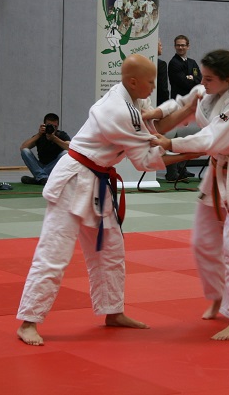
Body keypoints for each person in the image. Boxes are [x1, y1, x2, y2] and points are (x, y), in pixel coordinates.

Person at [16, 54, 201, 346]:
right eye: (150, 81)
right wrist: (195, 151)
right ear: (133, 81)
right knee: (54, 252)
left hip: (96, 181)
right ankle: (29, 321)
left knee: (110, 250)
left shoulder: (133, 98)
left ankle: (113, 311)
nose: (154, 86)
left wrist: (188, 107)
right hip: (74, 179)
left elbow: (155, 126)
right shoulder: (117, 110)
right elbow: (144, 159)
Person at [149, 45, 229, 340]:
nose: (202, 83)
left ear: (228, 79)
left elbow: (210, 138)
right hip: (218, 172)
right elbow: (184, 102)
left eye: (208, 78)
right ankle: (218, 295)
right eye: (202, 77)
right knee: (203, 241)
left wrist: (170, 143)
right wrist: (156, 112)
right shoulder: (209, 91)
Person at [166, 34, 202, 182]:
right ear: (175, 46)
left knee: (186, 137)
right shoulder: (173, 63)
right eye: (178, 45)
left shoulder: (192, 62)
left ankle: (182, 168)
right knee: (175, 136)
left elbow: (199, 80)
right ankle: (172, 172)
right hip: (178, 104)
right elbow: (182, 82)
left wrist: (191, 78)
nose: (180, 47)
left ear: (188, 46)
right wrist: (191, 79)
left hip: (190, 105)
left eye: (183, 45)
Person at [20, 113, 71, 185]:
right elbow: (23, 148)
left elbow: (71, 149)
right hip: (40, 166)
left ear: (58, 126)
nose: (52, 128)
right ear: (44, 125)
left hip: (55, 167)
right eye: (49, 126)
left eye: (55, 126)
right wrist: (39, 134)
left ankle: (40, 178)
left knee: (66, 153)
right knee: (25, 151)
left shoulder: (61, 135)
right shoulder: (40, 135)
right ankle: (43, 178)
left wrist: (54, 139)